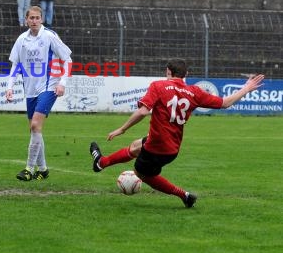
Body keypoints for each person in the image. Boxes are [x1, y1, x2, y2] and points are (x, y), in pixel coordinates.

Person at [89, 59, 264, 208]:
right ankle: (101, 163)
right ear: (185, 74)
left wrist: (122, 129)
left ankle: (184, 195)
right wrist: (246, 88)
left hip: (157, 148)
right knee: (136, 145)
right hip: (171, 147)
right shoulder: (194, 92)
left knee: (142, 176)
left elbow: (143, 112)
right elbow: (225, 103)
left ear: (168, 72)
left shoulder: (158, 86)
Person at [5, 6, 72, 181]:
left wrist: (62, 83)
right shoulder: (22, 40)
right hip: (30, 90)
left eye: (37, 18)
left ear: (42, 19)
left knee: (35, 125)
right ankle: (43, 170)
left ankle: (29, 169)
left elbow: (68, 59)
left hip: (49, 87)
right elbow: (15, 65)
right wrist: (9, 86)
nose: (34, 21)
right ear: (26, 20)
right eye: (31, 18)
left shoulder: (49, 36)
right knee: (35, 130)